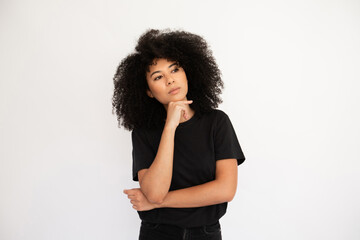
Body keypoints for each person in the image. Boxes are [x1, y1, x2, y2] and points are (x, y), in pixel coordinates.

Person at [112, 28, 246, 240]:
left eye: (175, 70)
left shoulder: (216, 122)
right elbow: (155, 192)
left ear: (187, 72)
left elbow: (225, 190)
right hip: (157, 232)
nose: (170, 80)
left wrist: (159, 202)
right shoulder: (144, 133)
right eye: (158, 76)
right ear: (148, 90)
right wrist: (170, 127)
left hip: (206, 233)